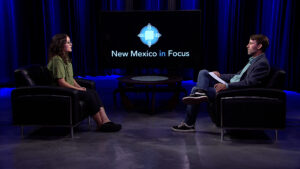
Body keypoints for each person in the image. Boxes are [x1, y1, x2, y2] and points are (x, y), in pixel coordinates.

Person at [172, 34, 270, 132]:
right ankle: (200, 93)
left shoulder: (262, 63)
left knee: (194, 89)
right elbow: (237, 76)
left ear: (259, 46)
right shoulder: (253, 61)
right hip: (233, 86)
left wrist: (226, 86)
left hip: (235, 91)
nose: (247, 45)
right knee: (204, 72)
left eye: (251, 43)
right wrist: (220, 75)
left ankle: (189, 123)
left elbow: (249, 83)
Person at [47, 34, 121, 132]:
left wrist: (80, 87)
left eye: (70, 42)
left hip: (69, 89)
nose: (71, 44)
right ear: (60, 45)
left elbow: (71, 79)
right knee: (89, 95)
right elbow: (61, 82)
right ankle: (101, 124)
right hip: (62, 92)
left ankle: (106, 121)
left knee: (92, 92)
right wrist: (78, 89)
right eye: (68, 42)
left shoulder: (66, 59)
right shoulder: (57, 60)